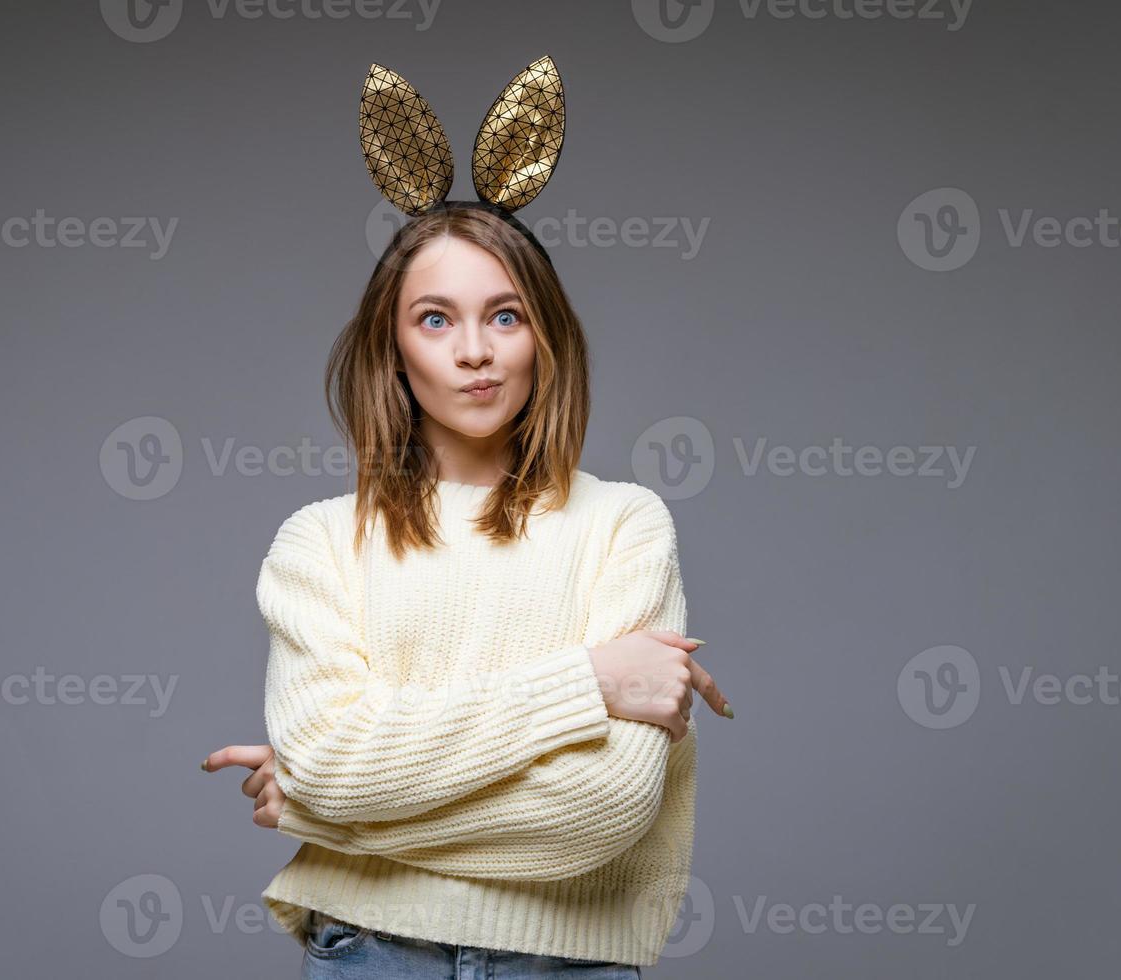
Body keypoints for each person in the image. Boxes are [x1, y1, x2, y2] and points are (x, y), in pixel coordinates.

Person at [201, 57, 733, 978]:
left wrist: (327, 812)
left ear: (545, 336)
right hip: (372, 957)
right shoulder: (321, 542)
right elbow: (327, 759)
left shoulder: (624, 526)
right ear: (393, 348)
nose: (477, 352)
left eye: (507, 315)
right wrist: (586, 685)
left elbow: (600, 811)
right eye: (437, 320)